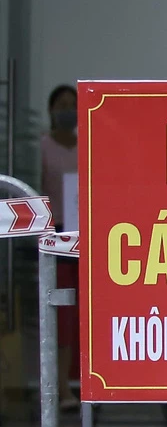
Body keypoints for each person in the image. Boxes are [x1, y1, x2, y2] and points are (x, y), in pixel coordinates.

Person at [38, 86, 78, 410]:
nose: (68, 110)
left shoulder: (88, 146)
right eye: (62, 105)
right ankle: (62, 389)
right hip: (55, 232)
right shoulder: (42, 147)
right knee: (60, 313)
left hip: (85, 232)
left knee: (83, 313)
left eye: (73, 105)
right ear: (51, 110)